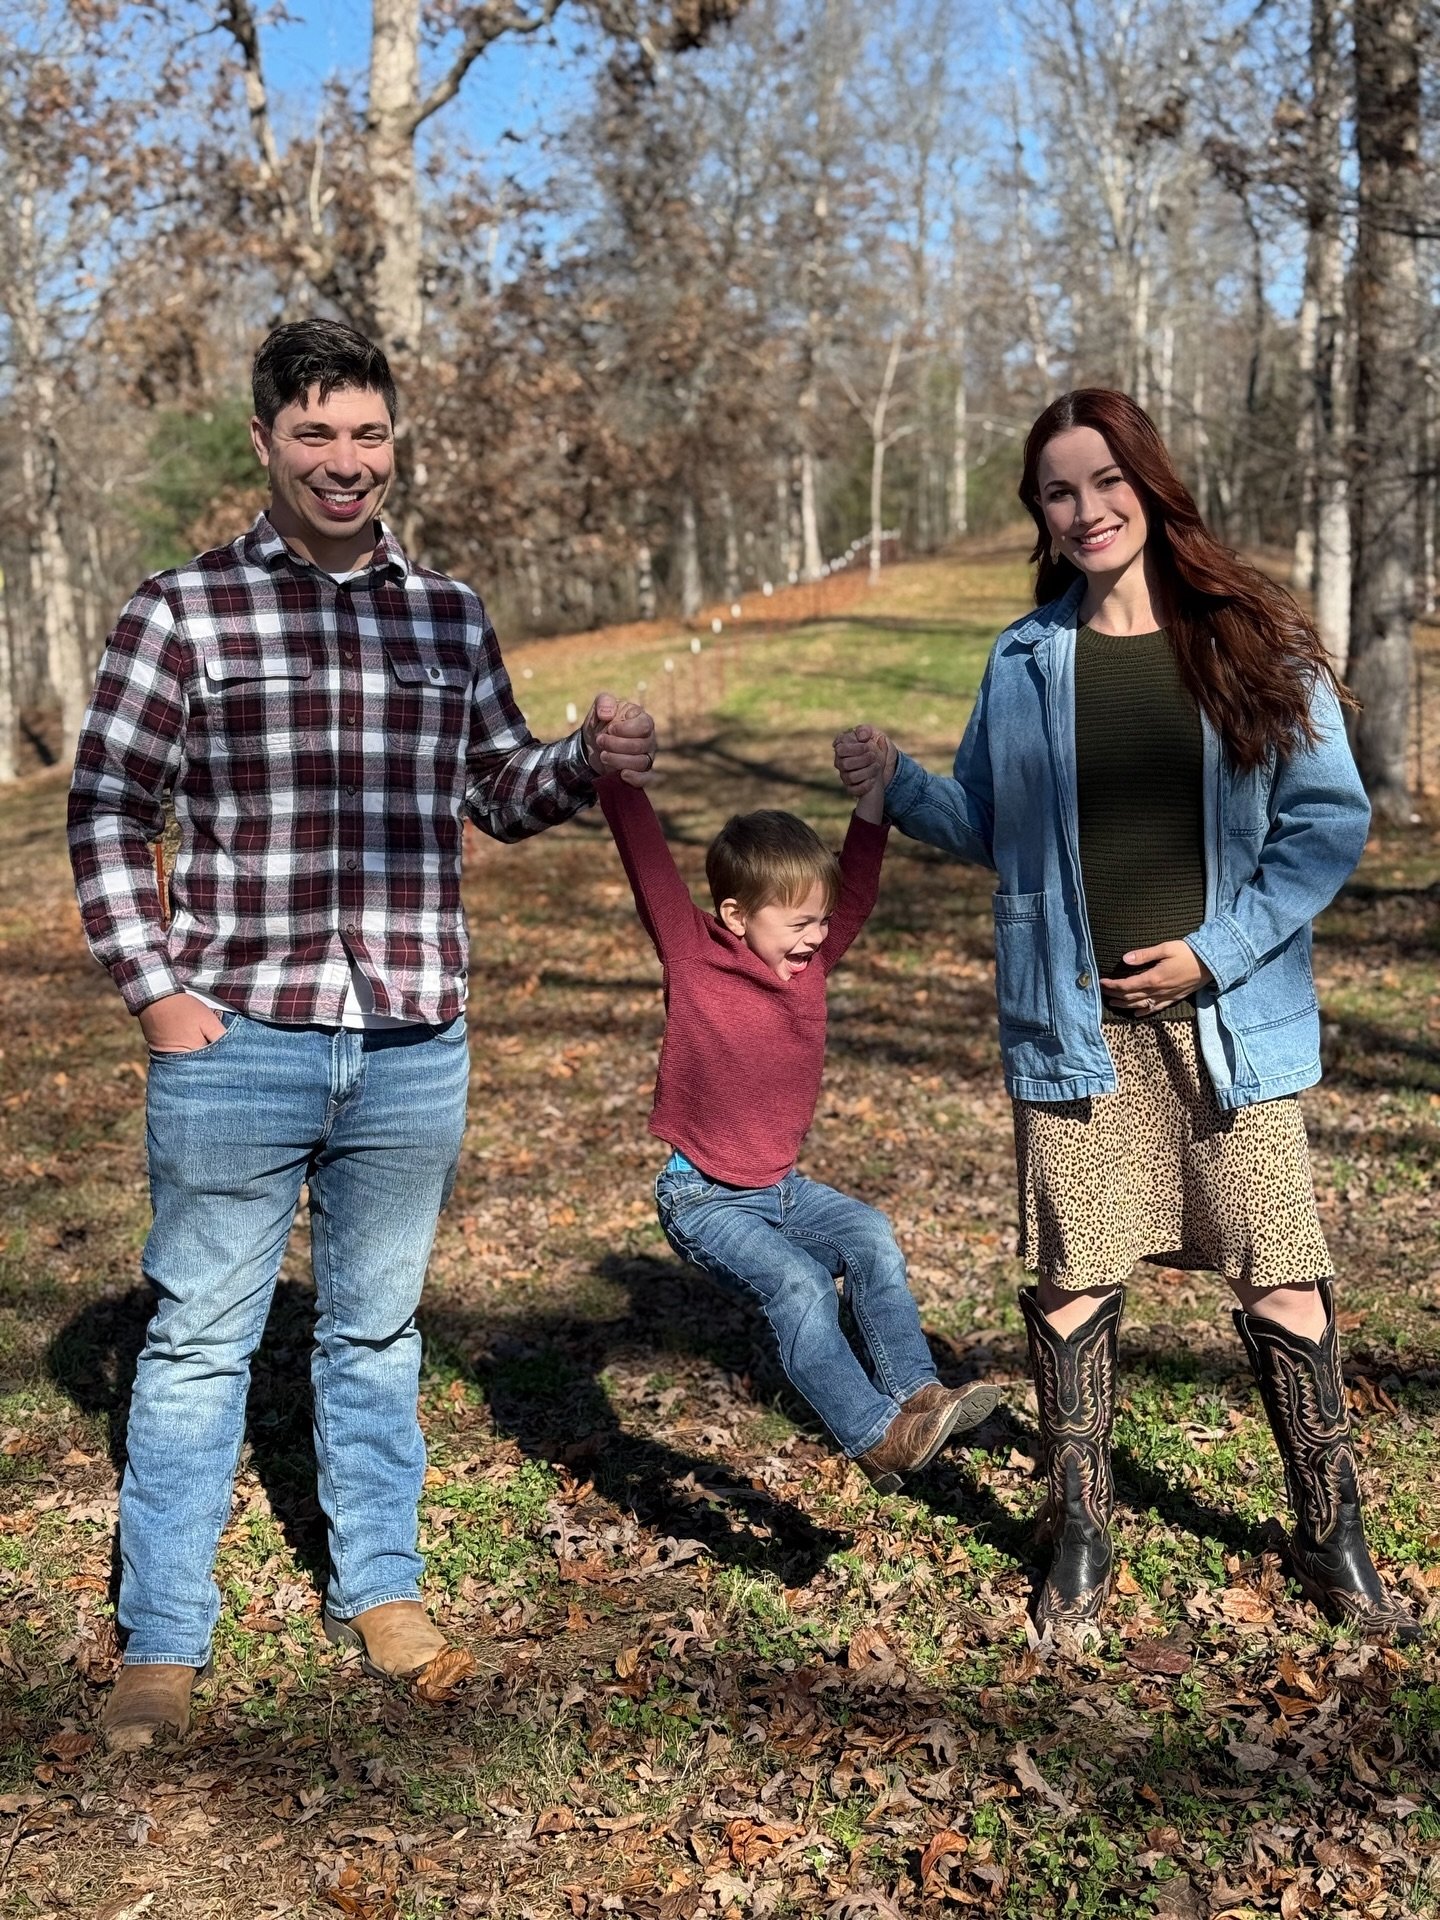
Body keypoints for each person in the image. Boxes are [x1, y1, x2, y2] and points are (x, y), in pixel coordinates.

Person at [67, 318, 657, 1750]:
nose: (347, 462)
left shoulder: (445, 615)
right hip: (238, 1041)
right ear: (266, 443)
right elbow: (105, 812)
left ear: (397, 445)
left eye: (369, 436)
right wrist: (159, 992)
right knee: (202, 1342)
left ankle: (381, 1590)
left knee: (375, 1332)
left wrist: (582, 759)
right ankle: (163, 1636)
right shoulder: (182, 613)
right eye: (317, 436)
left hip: (409, 1041)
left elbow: (499, 792)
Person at [834, 387, 1417, 1645]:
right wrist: (898, 789)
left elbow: (1328, 823)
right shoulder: (1025, 658)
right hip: (1075, 1028)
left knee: (1283, 1276)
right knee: (1071, 1282)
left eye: (1107, 481)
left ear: (1149, 487)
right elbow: (996, 826)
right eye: (1059, 489)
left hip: (1226, 1025)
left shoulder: (1252, 636)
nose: (1087, 508)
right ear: (1040, 513)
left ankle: (1330, 1530)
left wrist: (1212, 956)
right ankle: (1082, 1528)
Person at [597, 748, 998, 1490]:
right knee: (801, 1288)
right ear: (735, 916)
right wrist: (616, 775)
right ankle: (875, 1438)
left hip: (781, 1187)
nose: (817, 936)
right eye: (799, 922)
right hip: (702, 1196)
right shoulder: (692, 957)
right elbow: (648, 865)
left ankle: (916, 1395)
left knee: (870, 1237)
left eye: (822, 921)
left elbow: (858, 896)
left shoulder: (809, 966)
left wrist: (873, 802)